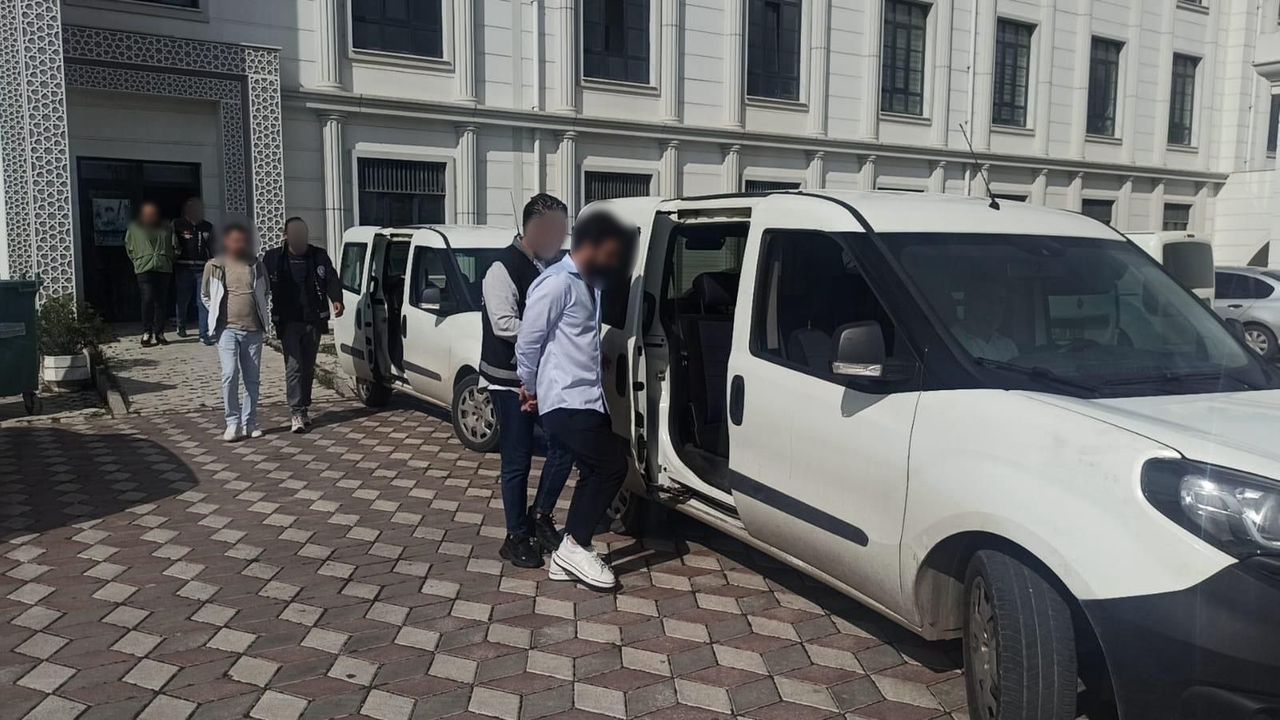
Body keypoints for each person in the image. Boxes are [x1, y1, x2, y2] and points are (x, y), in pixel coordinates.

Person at [515, 210, 635, 591]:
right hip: (565, 399)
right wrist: (529, 387)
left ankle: (565, 559)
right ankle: (575, 545)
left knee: (595, 470)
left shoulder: (590, 284)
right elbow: (528, 341)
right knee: (613, 464)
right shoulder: (555, 283)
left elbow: (578, 336)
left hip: (590, 397)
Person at [482, 194, 576, 569]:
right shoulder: (502, 268)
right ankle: (516, 536)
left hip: (546, 377)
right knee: (518, 459)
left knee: (564, 446)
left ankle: (540, 515)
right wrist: (551, 332)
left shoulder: (553, 265)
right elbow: (504, 324)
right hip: (509, 379)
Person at [264, 217, 343, 433]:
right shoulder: (273, 258)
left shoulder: (318, 256)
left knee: (308, 366)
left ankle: (304, 407)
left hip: (313, 319)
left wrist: (336, 299)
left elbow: (331, 278)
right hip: (288, 321)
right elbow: (260, 284)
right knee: (294, 366)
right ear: (286, 236)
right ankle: (296, 412)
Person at [202, 223, 271, 442]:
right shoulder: (215, 265)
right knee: (230, 374)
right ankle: (232, 422)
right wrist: (216, 314)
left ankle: (249, 422)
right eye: (235, 240)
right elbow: (206, 295)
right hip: (227, 329)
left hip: (253, 329)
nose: (240, 244)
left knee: (252, 379)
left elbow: (265, 292)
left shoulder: (256, 265)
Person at [125, 201, 176, 347]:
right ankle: (147, 332)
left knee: (161, 302)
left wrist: (169, 259)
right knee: (147, 299)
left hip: (163, 268)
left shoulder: (167, 227)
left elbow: (175, 246)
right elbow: (129, 246)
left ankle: (159, 333)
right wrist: (137, 261)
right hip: (144, 268)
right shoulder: (134, 228)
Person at [173, 198, 215, 344]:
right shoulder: (178, 225)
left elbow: (213, 246)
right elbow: (172, 244)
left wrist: (214, 262)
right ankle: (181, 325)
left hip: (202, 268)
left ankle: (203, 333)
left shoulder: (208, 226)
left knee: (202, 300)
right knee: (183, 299)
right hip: (183, 267)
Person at [952, 285, 1018, 361]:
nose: (995, 308)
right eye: (988, 300)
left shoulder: (1008, 345)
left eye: (1000, 302)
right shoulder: (951, 341)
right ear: (970, 302)